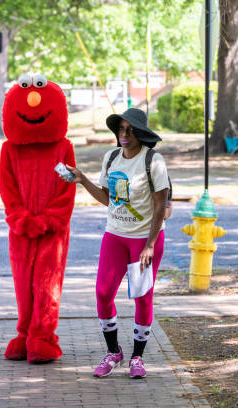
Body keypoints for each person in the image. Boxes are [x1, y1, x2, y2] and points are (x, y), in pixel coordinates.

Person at [64, 108, 169, 379]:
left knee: (142, 297)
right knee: (102, 292)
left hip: (145, 239)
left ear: (141, 133)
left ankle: (137, 358)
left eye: (130, 129)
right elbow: (109, 199)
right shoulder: (111, 157)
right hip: (115, 235)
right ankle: (114, 353)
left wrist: (149, 244)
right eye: (121, 129)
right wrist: (83, 180)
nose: (124, 134)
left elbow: (160, 206)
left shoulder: (153, 161)